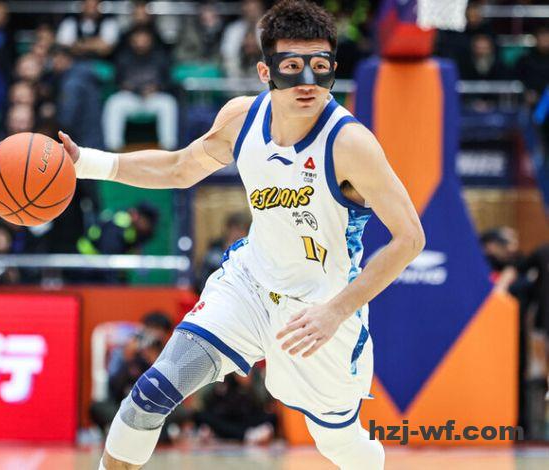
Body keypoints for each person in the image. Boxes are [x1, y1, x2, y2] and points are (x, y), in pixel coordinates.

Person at [60, 1, 424, 468]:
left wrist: (335, 311)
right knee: (149, 394)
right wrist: (87, 163)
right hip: (249, 286)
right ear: (265, 71)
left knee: (338, 444)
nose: (308, 82)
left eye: (320, 67)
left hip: (319, 308)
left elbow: (409, 238)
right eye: (292, 67)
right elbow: (178, 168)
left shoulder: (350, 144)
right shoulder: (241, 119)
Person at [102, 26, 177, 151]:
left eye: (144, 38)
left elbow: (168, 82)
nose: (141, 42)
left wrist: (156, 87)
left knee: (168, 103)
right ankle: (114, 148)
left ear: (150, 40)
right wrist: (126, 86)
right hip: (130, 98)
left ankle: (168, 148)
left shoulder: (160, 57)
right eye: (137, 38)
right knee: (114, 103)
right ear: (131, 40)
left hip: (153, 98)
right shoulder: (123, 57)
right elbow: (116, 81)